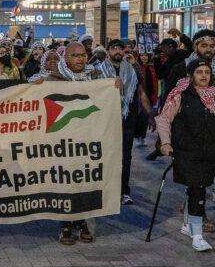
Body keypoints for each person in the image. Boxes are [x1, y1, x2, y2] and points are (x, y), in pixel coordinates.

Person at [40, 42, 115, 244]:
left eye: (83, 55)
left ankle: (82, 221)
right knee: (66, 183)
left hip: (89, 141)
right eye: (75, 55)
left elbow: (109, 100)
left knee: (85, 181)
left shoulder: (97, 77)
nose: (80, 59)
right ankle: (65, 224)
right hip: (63, 143)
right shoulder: (53, 79)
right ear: (66, 58)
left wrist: (115, 87)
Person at [157, 59, 215, 252]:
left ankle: (188, 224)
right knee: (197, 189)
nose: (204, 75)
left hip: (210, 151)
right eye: (199, 72)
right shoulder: (180, 96)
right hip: (186, 150)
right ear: (191, 76)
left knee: (198, 186)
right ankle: (197, 236)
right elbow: (164, 119)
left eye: (206, 71)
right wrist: (165, 143)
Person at [97, 40, 155, 205]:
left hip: (127, 120)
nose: (117, 51)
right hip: (106, 121)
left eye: (120, 48)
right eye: (113, 48)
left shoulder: (132, 70)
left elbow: (141, 93)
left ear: (124, 51)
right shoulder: (97, 71)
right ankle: (106, 190)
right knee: (106, 156)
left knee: (125, 157)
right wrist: (108, 85)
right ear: (107, 51)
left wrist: (150, 114)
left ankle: (123, 191)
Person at [135, 51, 159, 147]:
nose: (144, 57)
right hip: (139, 95)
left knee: (146, 117)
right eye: (141, 55)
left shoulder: (153, 68)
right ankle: (139, 136)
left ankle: (142, 136)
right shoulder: (137, 67)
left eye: (145, 55)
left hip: (150, 95)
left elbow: (156, 83)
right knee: (140, 117)